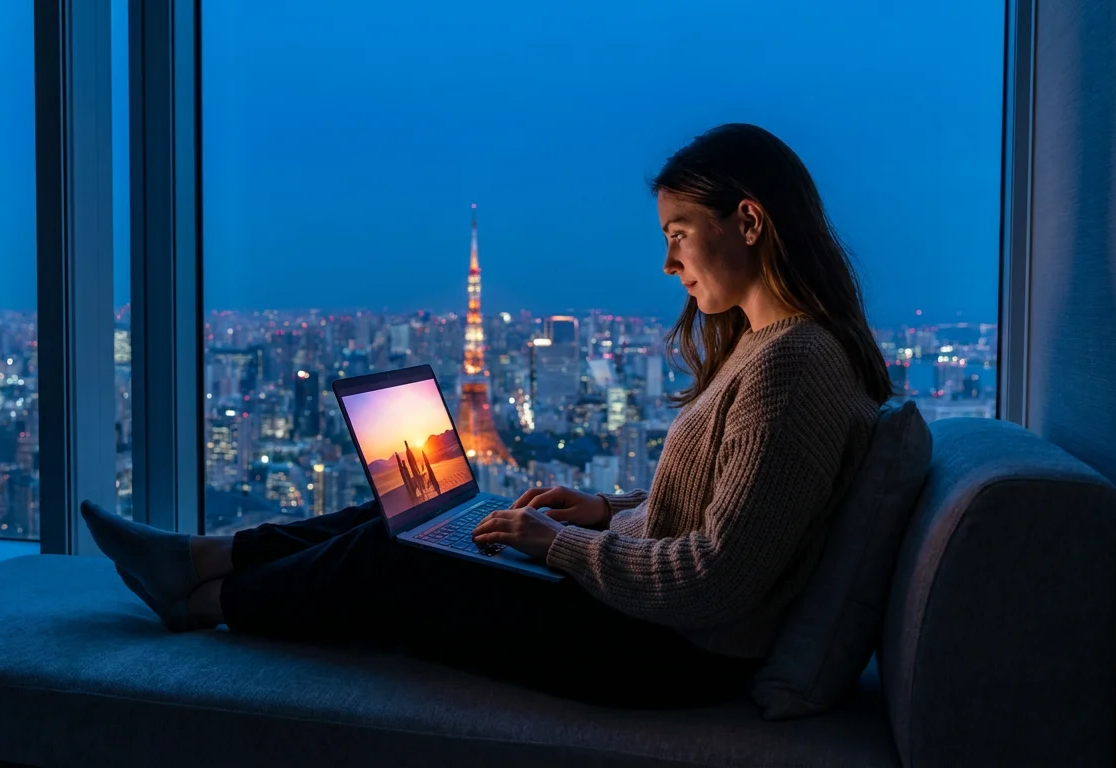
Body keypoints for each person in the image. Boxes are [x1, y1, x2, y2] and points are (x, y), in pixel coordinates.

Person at [81, 122, 892, 709]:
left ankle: (202, 604)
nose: (668, 260)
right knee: (427, 506)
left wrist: (562, 546)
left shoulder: (793, 363)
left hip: (660, 657)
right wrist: (607, 511)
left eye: (680, 233)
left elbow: (715, 577)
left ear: (748, 222)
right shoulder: (771, 347)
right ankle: (200, 555)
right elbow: (718, 513)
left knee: (403, 554)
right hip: (649, 626)